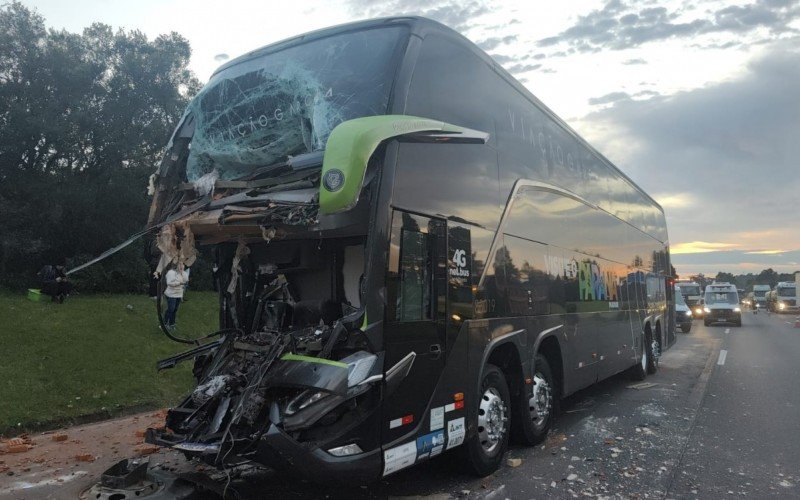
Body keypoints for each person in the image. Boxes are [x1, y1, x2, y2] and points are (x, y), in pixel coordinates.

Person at [164, 263, 189, 329]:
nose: (181, 266)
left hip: (179, 294)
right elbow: (169, 283)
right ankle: (165, 324)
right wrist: (179, 283)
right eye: (179, 264)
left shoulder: (184, 273)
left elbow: (186, 280)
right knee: (170, 309)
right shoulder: (171, 272)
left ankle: (172, 324)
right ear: (176, 265)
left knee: (175, 309)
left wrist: (182, 273)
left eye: (183, 265)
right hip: (171, 294)